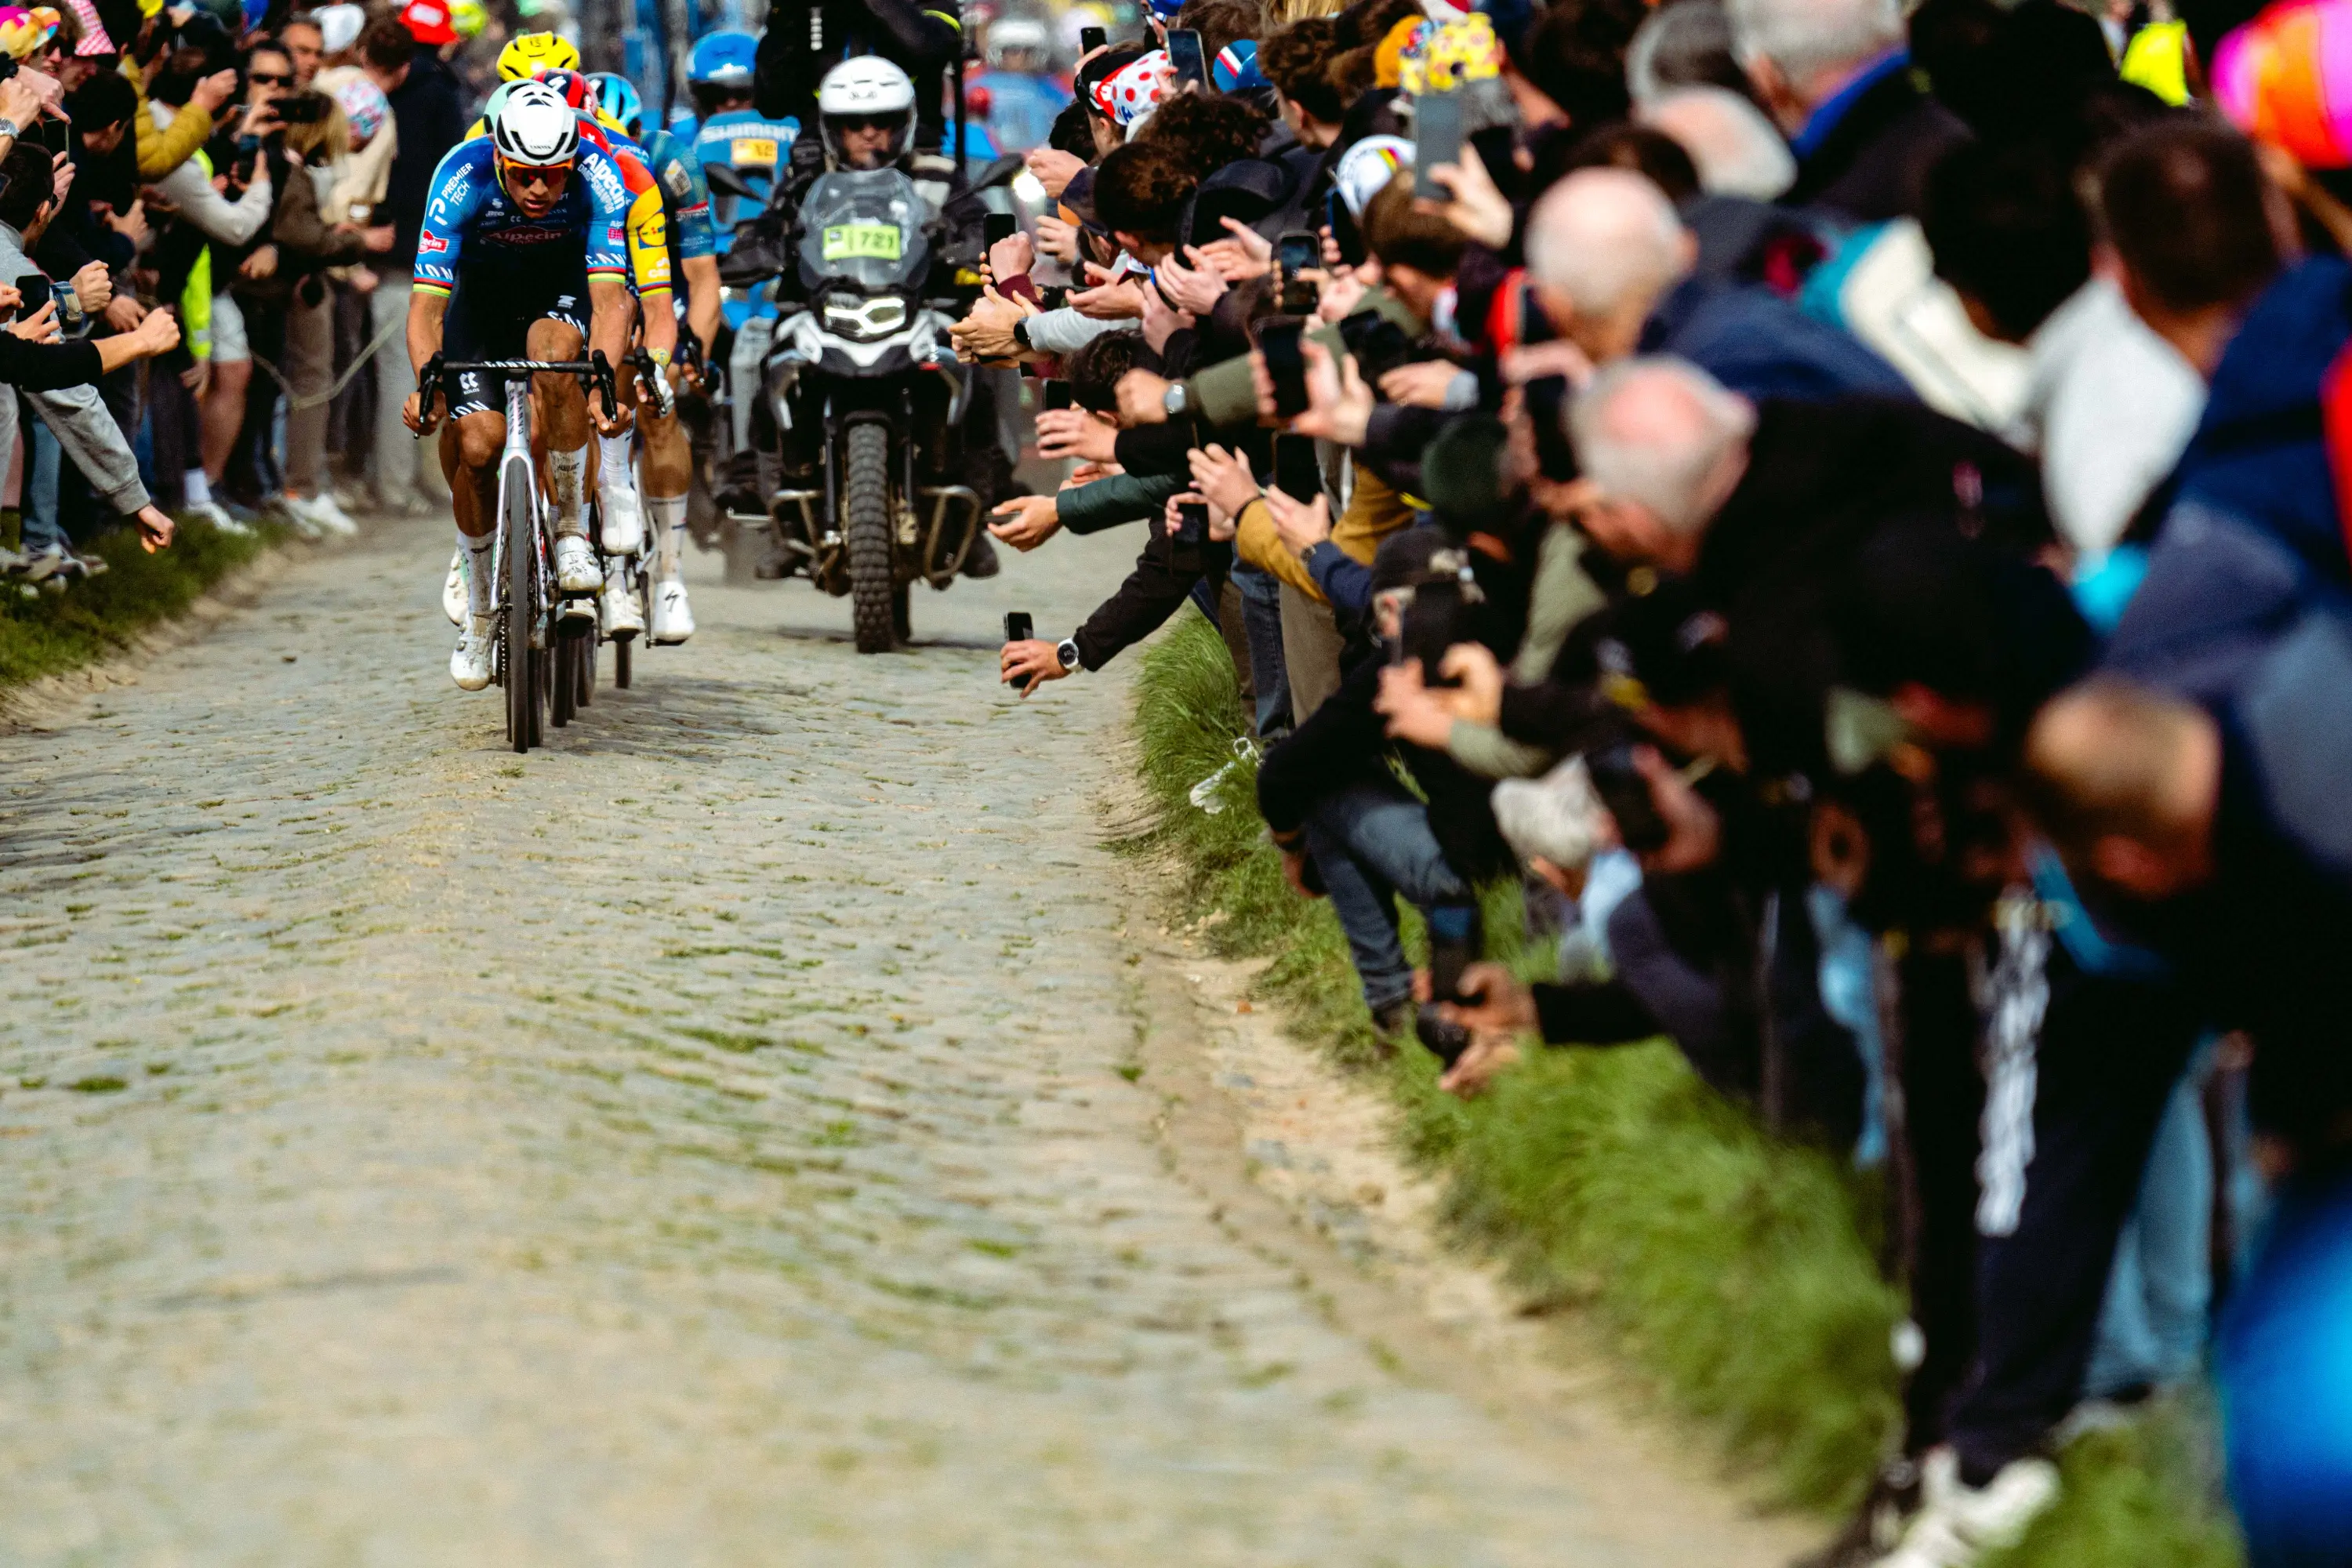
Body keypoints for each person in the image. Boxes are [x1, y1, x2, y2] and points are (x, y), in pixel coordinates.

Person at [402, 79, 671, 691]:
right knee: (477, 447)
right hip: (482, 303)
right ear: (499, 156)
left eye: (553, 175)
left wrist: (602, 384)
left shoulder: (599, 174)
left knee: (557, 356)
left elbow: (610, 304)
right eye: (524, 174)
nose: (538, 189)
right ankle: (478, 607)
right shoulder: (459, 176)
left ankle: (573, 527)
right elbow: (425, 311)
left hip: (561, 291)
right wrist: (428, 383)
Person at [751, 0, 963, 163]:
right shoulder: (809, 12)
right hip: (825, 165)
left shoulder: (928, 5)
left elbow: (927, 47)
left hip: (913, 160)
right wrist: (785, 17)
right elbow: (771, 105)